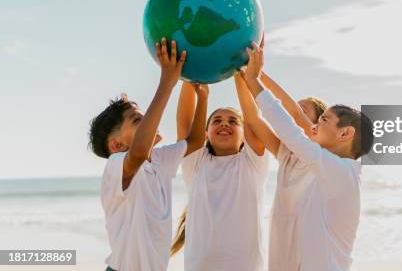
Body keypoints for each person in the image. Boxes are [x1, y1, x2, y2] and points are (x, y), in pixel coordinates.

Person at [239, 42, 374, 270]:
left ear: (345, 133)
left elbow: (291, 128)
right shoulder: (323, 171)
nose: (313, 126)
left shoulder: (342, 171)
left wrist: (253, 79)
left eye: (323, 120)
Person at [88, 39, 205, 271]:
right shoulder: (116, 165)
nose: (149, 124)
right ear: (117, 145)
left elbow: (195, 141)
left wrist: (203, 97)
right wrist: (167, 82)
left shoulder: (159, 161)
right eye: (138, 121)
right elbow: (139, 151)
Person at [170, 80, 269, 270]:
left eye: (233, 121)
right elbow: (185, 124)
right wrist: (191, 76)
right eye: (217, 121)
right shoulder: (196, 163)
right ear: (206, 133)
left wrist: (242, 76)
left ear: (244, 135)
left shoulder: (253, 162)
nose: (224, 123)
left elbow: (252, 117)